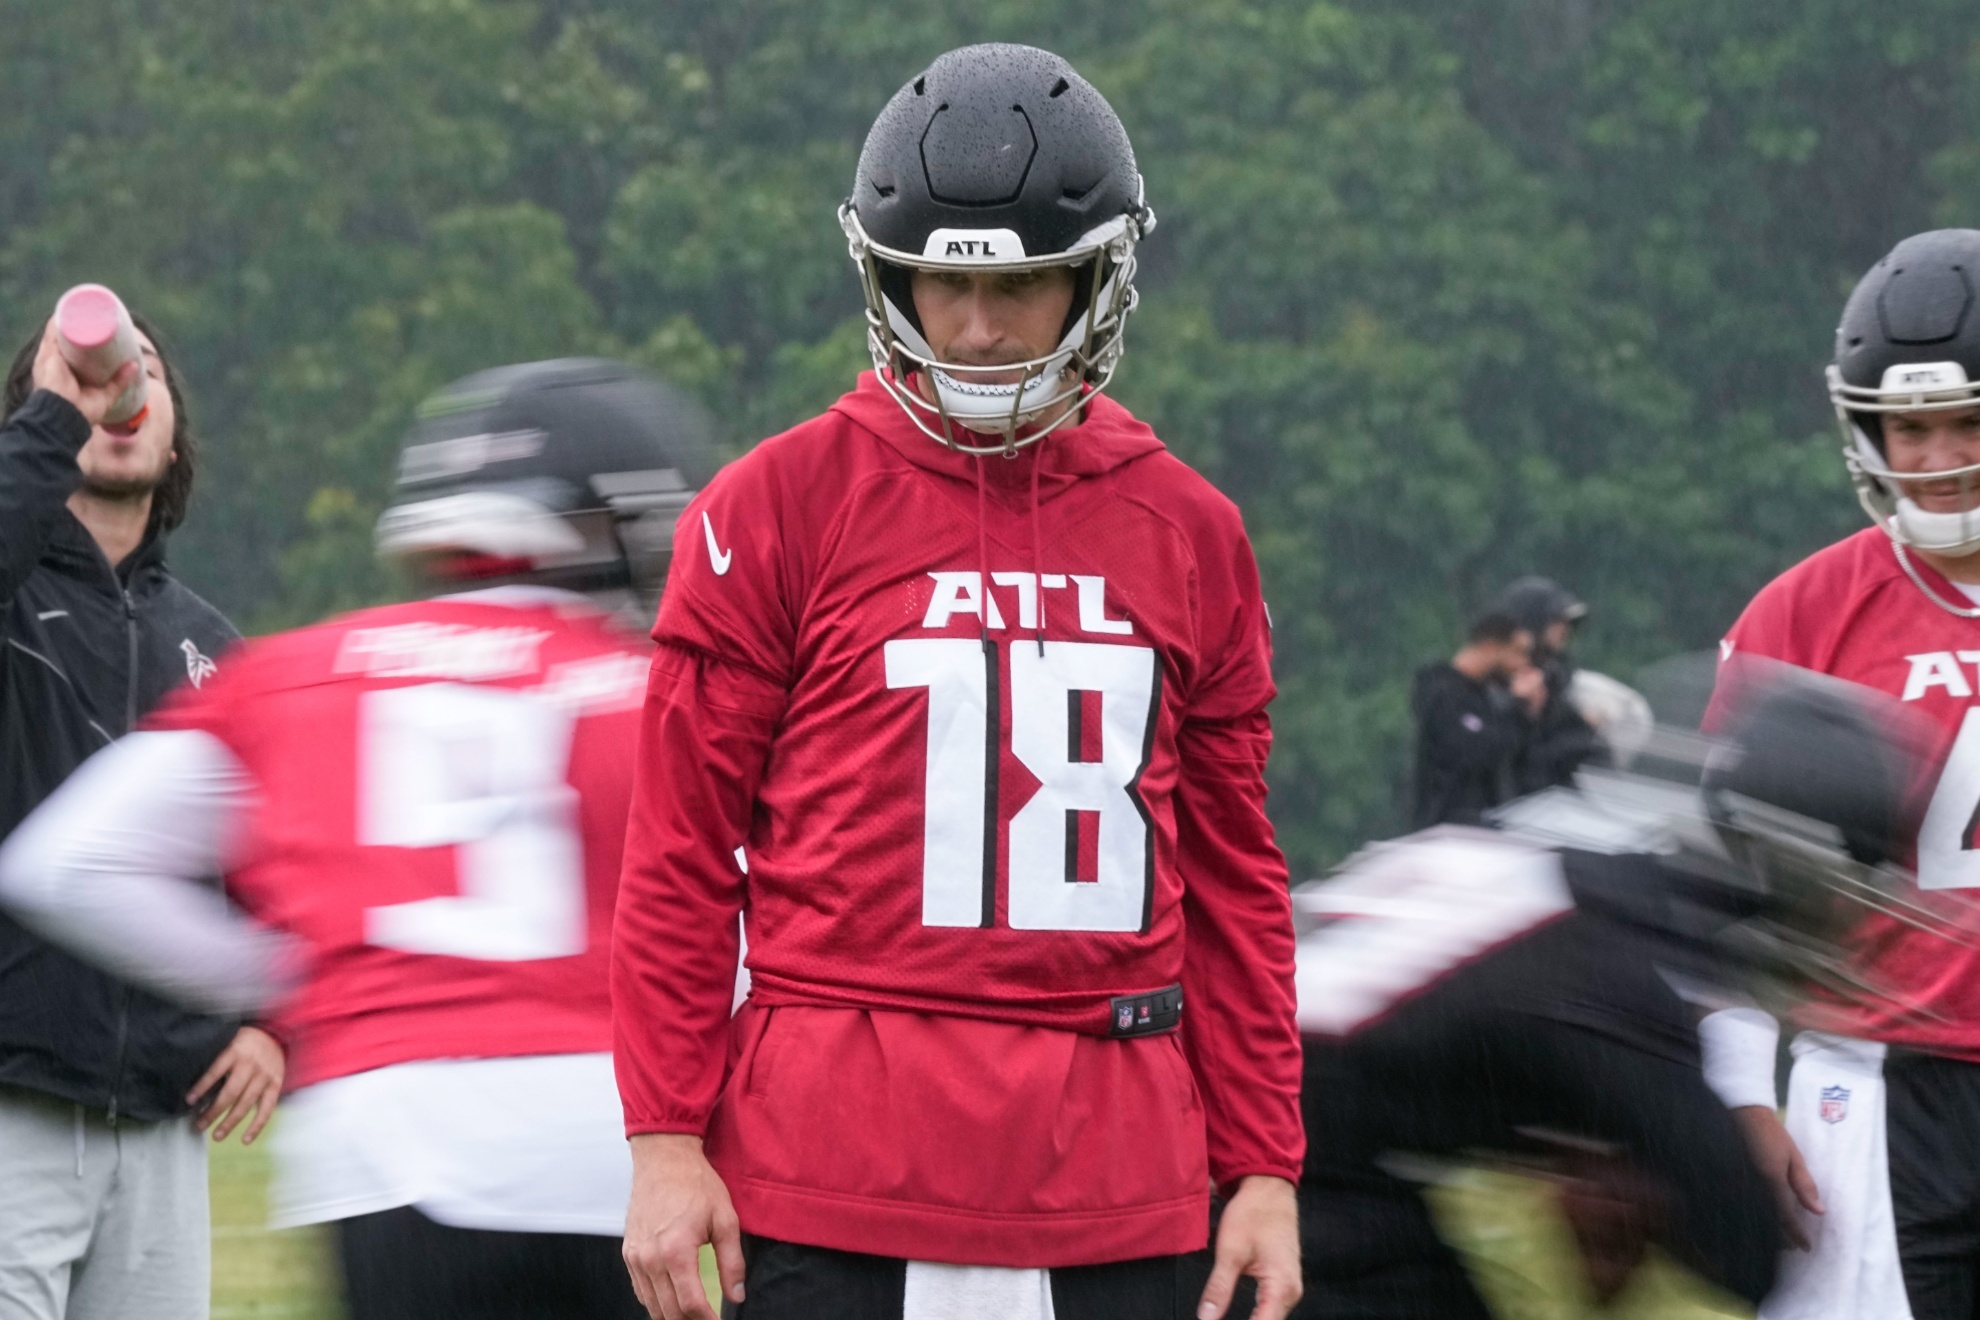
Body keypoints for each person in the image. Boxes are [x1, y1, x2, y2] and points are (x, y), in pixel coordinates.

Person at [611, 43, 1304, 1320]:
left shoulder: (1189, 527)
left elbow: (1233, 880)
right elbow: (680, 855)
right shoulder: (775, 508)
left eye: (1024, 285)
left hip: (1115, 1168)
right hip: (828, 1172)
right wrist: (663, 1133)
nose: (977, 330)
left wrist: (1264, 1161)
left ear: (1099, 275)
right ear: (892, 278)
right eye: (942, 283)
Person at [0, 358, 717, 1320]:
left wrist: (294, 977)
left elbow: (64, 865)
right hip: (591, 1148)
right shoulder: (647, 693)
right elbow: (739, 936)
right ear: (599, 523)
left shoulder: (295, 674)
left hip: (378, 1153)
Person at [1292, 670, 1939, 1318]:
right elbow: (1746, 1242)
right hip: (1265, 1163)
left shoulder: (1575, 867)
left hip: (1264, 1122)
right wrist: (1644, 1182)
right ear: (1798, 868)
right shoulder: (1623, 968)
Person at [1700, 227, 1980, 1320]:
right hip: (1869, 1080)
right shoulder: (1804, 613)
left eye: (1966, 422)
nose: (1938, 458)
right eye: (1909, 427)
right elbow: (1725, 889)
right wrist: (1735, 1094)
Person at [0, 312, 280, 1320]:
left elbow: (273, 861)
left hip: (163, 1135)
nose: (120, 385)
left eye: (143, 370)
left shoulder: (216, 646)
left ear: (173, 430)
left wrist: (269, 1024)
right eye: (90, 371)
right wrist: (47, 418)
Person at [1408, 610, 1541, 828]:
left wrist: (1528, 714)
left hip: (1482, 832)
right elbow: (1474, 750)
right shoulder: (1442, 692)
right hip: (1444, 833)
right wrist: (1518, 708)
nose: (1523, 664)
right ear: (1490, 647)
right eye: (1518, 652)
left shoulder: (1485, 697)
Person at [1497, 574, 1606, 793]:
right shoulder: (1498, 680)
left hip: (1555, 806)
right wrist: (1520, 706)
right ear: (1532, 620)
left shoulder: (1558, 677)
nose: (1564, 628)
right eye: (1556, 620)